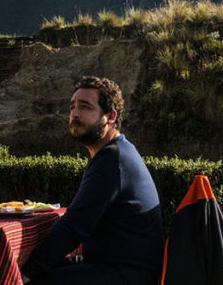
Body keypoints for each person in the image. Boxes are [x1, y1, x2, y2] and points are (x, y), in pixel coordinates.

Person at [21, 76, 164, 285]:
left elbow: (74, 225)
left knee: (31, 280)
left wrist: (24, 275)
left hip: (127, 274)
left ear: (111, 116)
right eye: (72, 108)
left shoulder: (112, 160)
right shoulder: (116, 152)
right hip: (112, 266)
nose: (75, 114)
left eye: (85, 107)